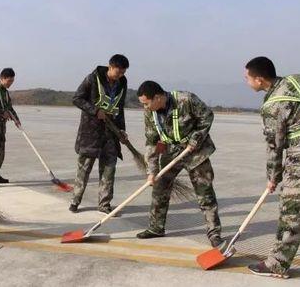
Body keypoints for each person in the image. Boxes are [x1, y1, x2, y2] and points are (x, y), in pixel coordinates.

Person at [136, 80, 224, 249]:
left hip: (196, 152)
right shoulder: (150, 113)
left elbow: (207, 116)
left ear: (158, 97)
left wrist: (196, 138)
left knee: (205, 193)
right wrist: (152, 171)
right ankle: (156, 227)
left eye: (147, 103)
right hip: (171, 151)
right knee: (160, 187)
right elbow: (152, 141)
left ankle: (214, 233)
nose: (145, 108)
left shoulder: (186, 100)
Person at [245, 56, 300, 279]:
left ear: (259, 80)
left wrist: (273, 177)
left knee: (291, 213)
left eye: (247, 78)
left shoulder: (272, 105)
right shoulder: (295, 80)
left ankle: (277, 264)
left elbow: (275, 147)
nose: (247, 82)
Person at [69, 54, 129, 215]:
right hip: (91, 132)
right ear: (110, 66)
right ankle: (75, 200)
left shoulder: (122, 83)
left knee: (109, 170)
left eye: (123, 72)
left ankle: (104, 204)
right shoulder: (92, 78)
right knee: (84, 168)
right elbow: (77, 99)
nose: (120, 75)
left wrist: (122, 130)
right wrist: (95, 111)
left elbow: (120, 108)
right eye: (118, 71)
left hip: (111, 134)